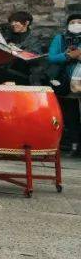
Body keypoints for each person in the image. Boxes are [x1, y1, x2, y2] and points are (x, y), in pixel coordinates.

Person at [48, 13, 81, 157]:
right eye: (73, 22)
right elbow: (51, 58)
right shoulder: (60, 38)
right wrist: (67, 56)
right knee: (71, 115)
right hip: (66, 82)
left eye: (79, 22)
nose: (76, 24)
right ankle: (74, 145)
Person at [0, 11, 41, 84]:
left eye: (16, 21)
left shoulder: (33, 40)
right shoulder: (6, 34)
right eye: (12, 22)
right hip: (1, 72)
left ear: (27, 23)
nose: (13, 24)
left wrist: (16, 50)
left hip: (20, 74)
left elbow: (35, 58)